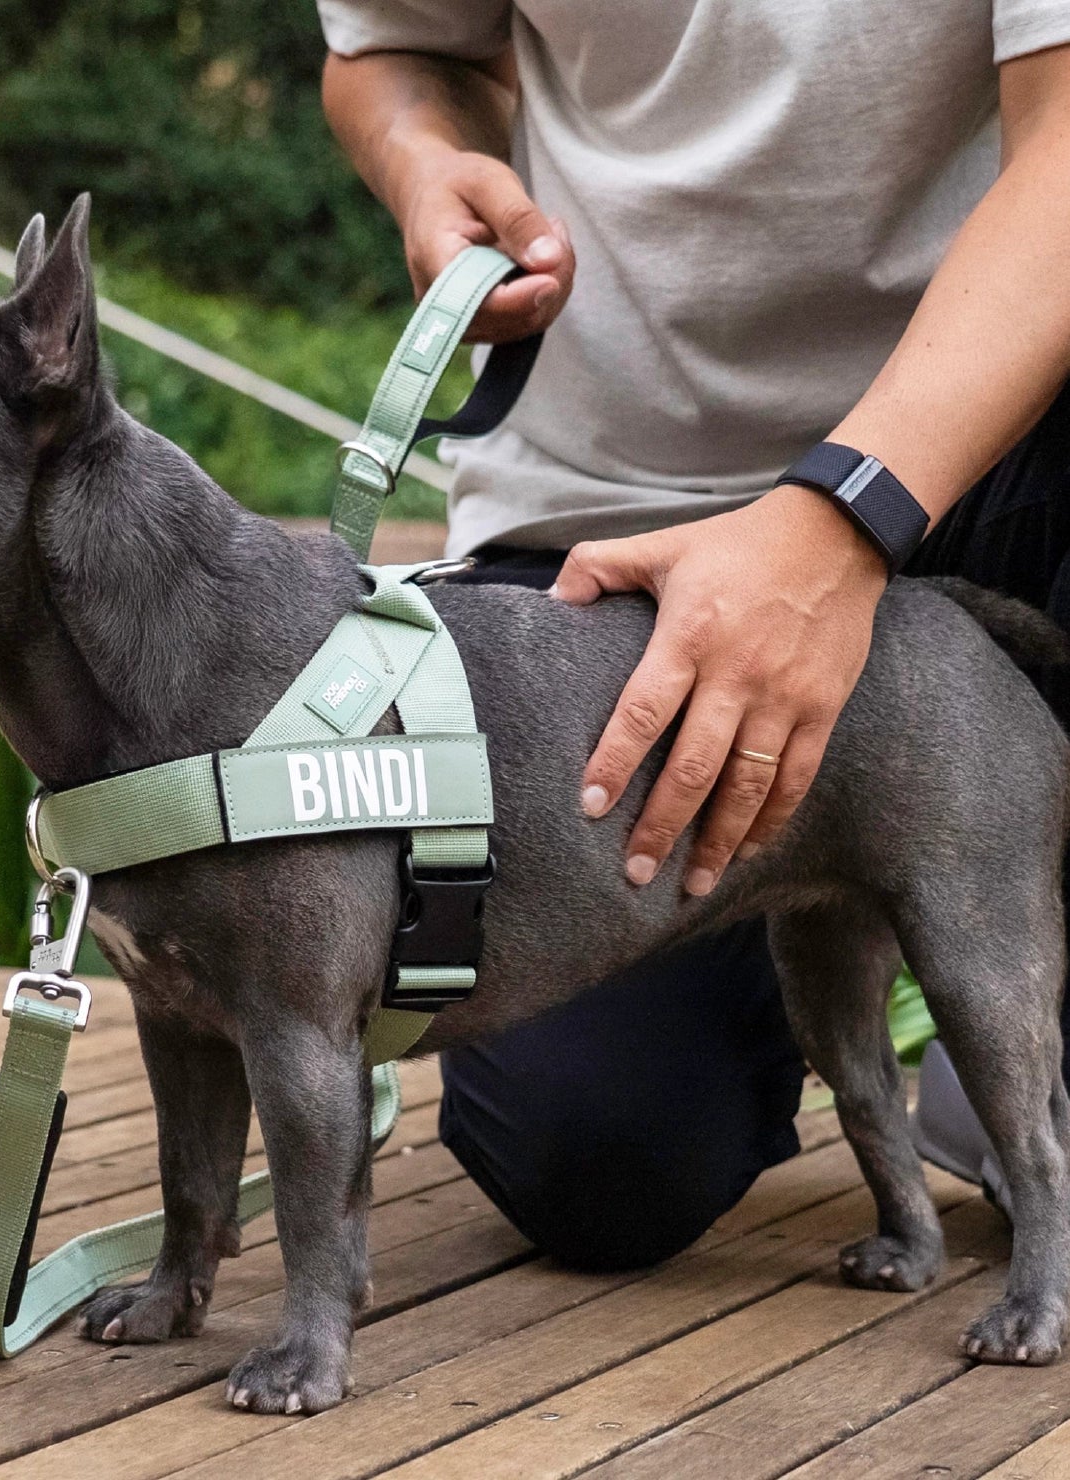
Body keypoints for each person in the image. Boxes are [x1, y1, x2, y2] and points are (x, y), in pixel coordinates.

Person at [318, 0, 1070, 1268]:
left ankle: (1022, 1030)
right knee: (599, 1151)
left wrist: (842, 516)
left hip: (990, 461)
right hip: (610, 520)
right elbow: (396, 48)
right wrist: (428, 163)